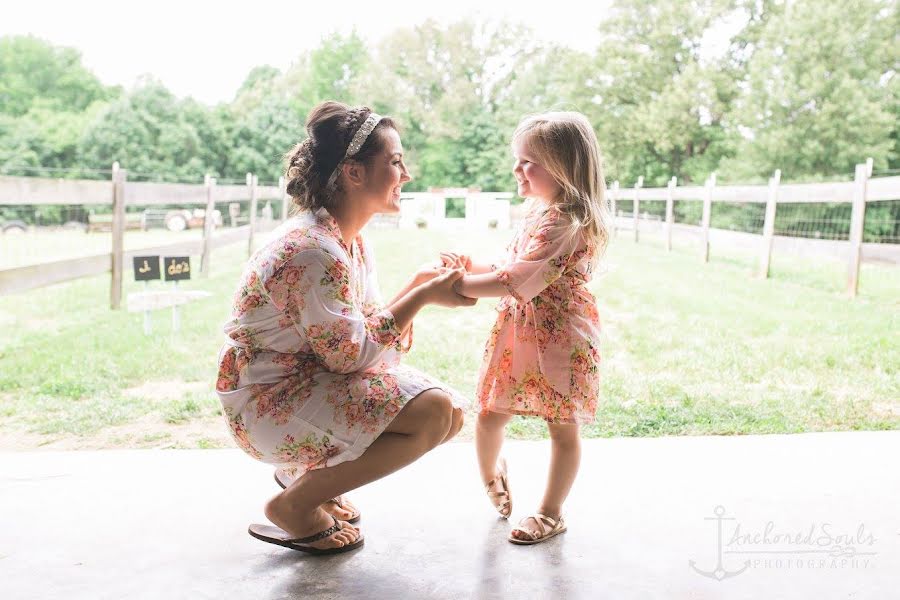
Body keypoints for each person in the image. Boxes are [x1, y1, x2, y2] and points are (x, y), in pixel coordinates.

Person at [216, 101, 474, 555]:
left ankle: (304, 475)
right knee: (432, 413)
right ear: (354, 173)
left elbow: (362, 342)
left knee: (448, 413)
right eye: (395, 162)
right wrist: (423, 296)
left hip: (303, 384)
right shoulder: (314, 251)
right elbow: (350, 356)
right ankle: (295, 504)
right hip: (266, 402)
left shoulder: (345, 241)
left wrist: (418, 283)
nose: (406, 174)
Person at [443, 111, 610, 545]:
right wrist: (467, 266)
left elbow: (516, 281)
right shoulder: (537, 211)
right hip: (519, 331)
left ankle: (551, 513)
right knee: (491, 412)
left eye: (527, 162)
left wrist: (456, 285)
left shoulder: (567, 222)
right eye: (517, 160)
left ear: (562, 167)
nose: (517, 170)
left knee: (562, 426)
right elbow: (507, 266)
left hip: (560, 337)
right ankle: (491, 473)